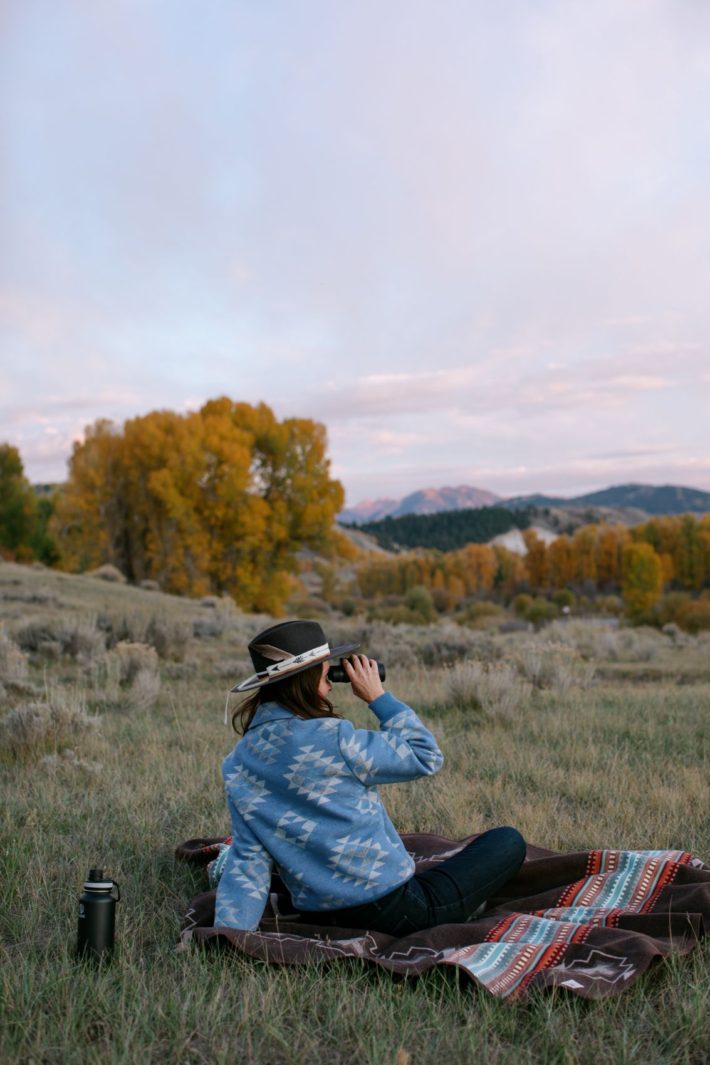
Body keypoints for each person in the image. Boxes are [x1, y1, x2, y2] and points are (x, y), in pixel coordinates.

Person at [214, 619, 526, 936]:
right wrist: (378, 696)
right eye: (325, 674)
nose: (331, 683)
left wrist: (229, 933)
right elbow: (425, 755)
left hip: (319, 915)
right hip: (397, 911)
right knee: (507, 841)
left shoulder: (237, 763)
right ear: (306, 681)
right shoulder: (335, 738)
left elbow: (247, 859)